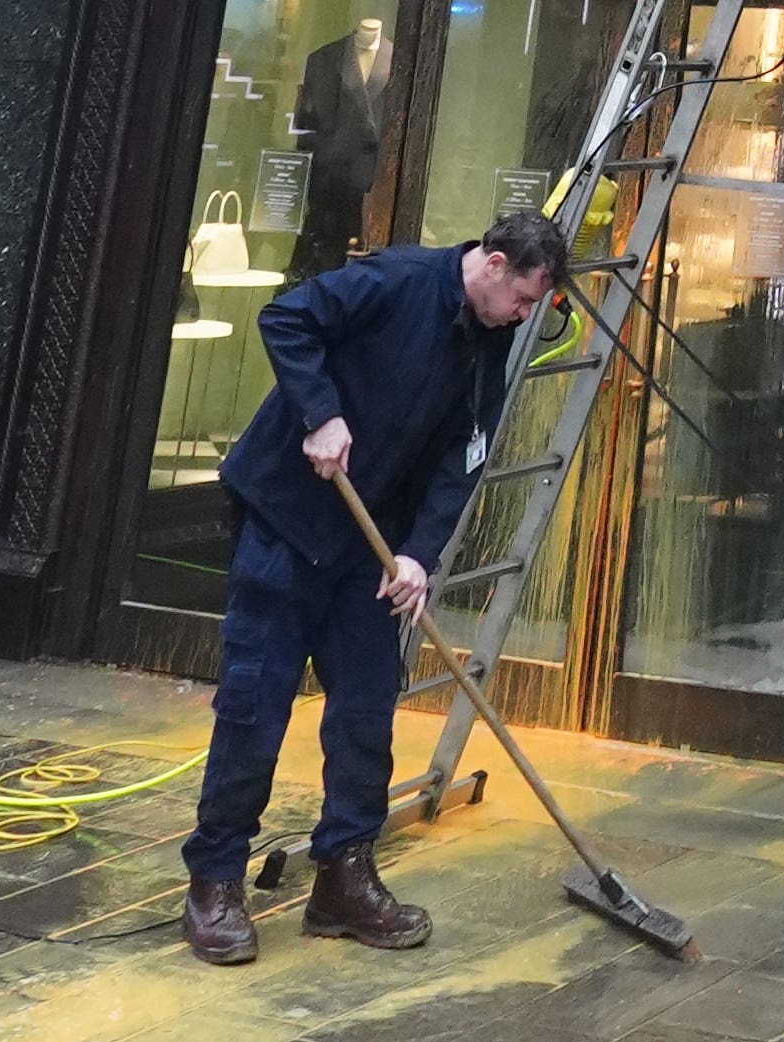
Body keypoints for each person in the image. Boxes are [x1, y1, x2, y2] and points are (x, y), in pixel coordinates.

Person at [178, 213, 563, 968]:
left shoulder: (492, 339)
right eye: (521, 299)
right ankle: (216, 877)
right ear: (490, 264)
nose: (524, 317)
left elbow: (464, 456)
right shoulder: (394, 281)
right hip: (285, 521)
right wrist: (320, 414)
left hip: (370, 545)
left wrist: (419, 554)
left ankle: (343, 875)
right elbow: (285, 317)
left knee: (364, 710)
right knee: (255, 703)